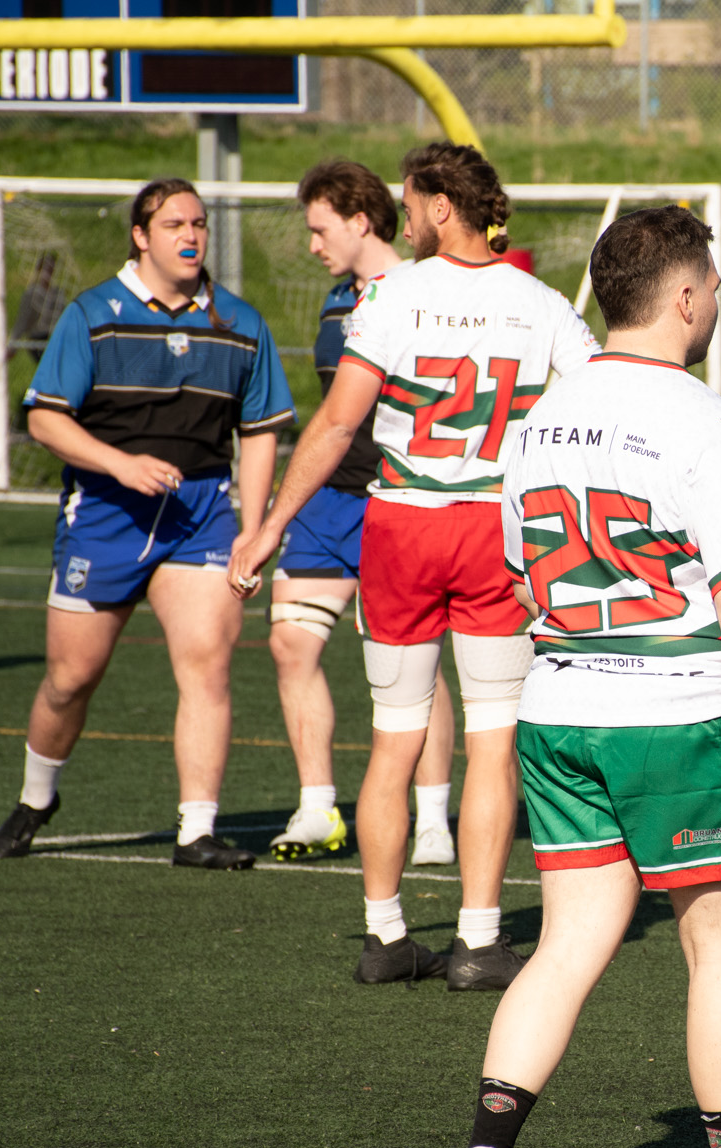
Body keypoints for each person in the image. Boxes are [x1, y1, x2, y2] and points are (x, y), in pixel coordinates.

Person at [448, 205, 721, 1148]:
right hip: (677, 713)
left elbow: (515, 562)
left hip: (559, 705)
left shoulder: (535, 418)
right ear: (680, 296)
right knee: (720, 953)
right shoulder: (709, 421)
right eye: (708, 284)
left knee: (569, 944)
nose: (714, 300)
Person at [230, 143, 599, 990]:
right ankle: (477, 939)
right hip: (492, 526)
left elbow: (333, 424)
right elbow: (598, 403)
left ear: (439, 206)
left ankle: (386, 935)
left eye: (409, 198)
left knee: (394, 737)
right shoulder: (540, 303)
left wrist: (271, 525)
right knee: (492, 740)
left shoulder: (390, 295)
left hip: (399, 522)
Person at [0, 179, 292, 869]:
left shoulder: (239, 323)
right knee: (70, 678)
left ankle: (197, 829)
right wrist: (119, 465)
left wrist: (252, 524)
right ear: (141, 235)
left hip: (202, 516)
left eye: (201, 223)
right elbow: (43, 416)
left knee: (208, 664)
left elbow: (262, 429)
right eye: (176, 223)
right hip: (104, 513)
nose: (192, 235)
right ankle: (38, 796)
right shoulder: (94, 314)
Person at [268, 160, 459, 868]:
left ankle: (434, 817)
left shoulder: (425, 293)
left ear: (359, 220)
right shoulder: (331, 304)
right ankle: (318, 805)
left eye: (321, 229)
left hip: (400, 500)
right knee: (291, 643)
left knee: (417, 662)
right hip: (329, 503)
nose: (313, 243)